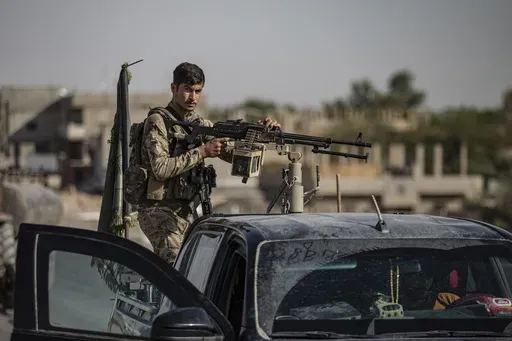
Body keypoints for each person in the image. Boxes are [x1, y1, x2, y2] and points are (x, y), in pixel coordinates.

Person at [137, 62, 281, 263]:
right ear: (173, 88)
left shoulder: (200, 125)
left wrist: (258, 135)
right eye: (187, 90)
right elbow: (160, 169)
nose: (193, 97)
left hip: (186, 211)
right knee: (174, 263)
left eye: (198, 91)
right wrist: (203, 151)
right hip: (157, 210)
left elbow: (235, 157)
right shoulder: (158, 121)